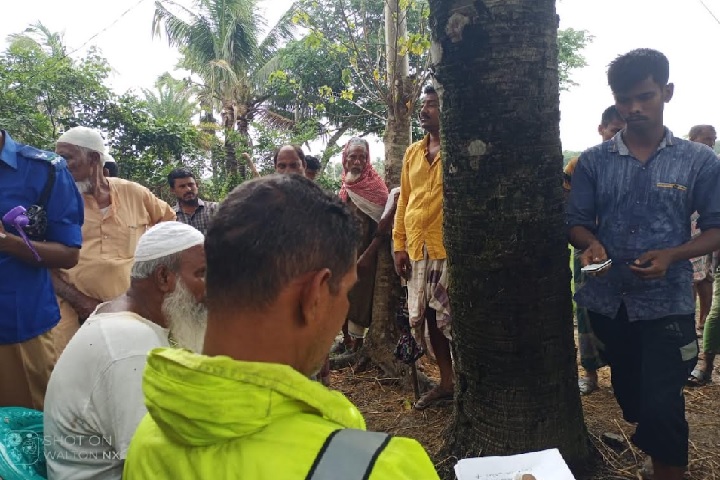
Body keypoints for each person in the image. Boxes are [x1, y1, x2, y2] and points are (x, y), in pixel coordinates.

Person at [123, 175, 440, 480]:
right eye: (346, 292)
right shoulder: (383, 468)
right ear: (314, 295)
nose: (344, 306)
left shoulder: (148, 437)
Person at [567, 49, 720, 480]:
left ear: (667, 93)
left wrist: (673, 255)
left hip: (667, 303)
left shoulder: (699, 161)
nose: (634, 108)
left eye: (645, 97)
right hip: (608, 300)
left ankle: (667, 468)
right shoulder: (594, 161)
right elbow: (575, 222)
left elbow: (715, 228)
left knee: (662, 403)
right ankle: (652, 441)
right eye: (624, 99)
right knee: (633, 398)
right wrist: (591, 243)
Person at [44, 221, 207, 480]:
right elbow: (155, 466)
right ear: (164, 277)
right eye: (202, 274)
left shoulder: (127, 316)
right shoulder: (131, 347)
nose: (211, 287)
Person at [51, 127, 176, 356]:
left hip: (132, 308)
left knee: (136, 368)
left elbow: (169, 226)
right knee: (69, 368)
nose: (60, 165)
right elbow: (42, 263)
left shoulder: (134, 193)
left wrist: (156, 278)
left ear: (94, 158)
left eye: (66, 158)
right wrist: (81, 302)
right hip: (69, 309)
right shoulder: (54, 200)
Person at [0, 130, 83, 410]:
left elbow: (69, 252)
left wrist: (6, 241)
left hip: (15, 328)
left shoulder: (44, 170)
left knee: (27, 433)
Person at [393, 85, 454, 410]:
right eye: (423, 105)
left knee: (451, 316)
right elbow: (404, 198)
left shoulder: (457, 148)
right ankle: (447, 382)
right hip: (417, 247)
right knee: (430, 316)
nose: (424, 110)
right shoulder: (413, 152)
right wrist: (398, 245)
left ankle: (466, 381)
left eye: (432, 105)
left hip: (448, 248)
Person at [563, 105, 625, 395]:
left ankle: (622, 373)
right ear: (601, 129)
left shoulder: (637, 165)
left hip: (625, 253)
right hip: (589, 250)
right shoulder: (581, 164)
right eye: (614, 130)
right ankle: (590, 375)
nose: (620, 136)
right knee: (587, 312)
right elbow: (565, 203)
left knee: (622, 312)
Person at [333, 137, 389, 352]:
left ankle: (358, 344)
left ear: (367, 161)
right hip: (344, 254)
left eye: (361, 158)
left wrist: (368, 254)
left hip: (366, 256)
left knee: (361, 298)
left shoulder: (376, 188)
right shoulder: (345, 186)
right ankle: (345, 340)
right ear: (345, 159)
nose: (356, 162)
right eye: (352, 157)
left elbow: (383, 226)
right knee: (341, 295)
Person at [687, 124, 719, 388]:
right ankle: (691, 322)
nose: (710, 143)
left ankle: (701, 319)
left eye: (713, 139)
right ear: (693, 139)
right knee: (691, 277)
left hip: (711, 232)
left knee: (705, 278)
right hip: (691, 231)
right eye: (706, 139)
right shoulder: (685, 165)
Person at [168, 168, 219, 235]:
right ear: (172, 190)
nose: (188, 189)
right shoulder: (170, 217)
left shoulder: (215, 209)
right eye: (182, 186)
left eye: (191, 184)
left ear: (197, 185)